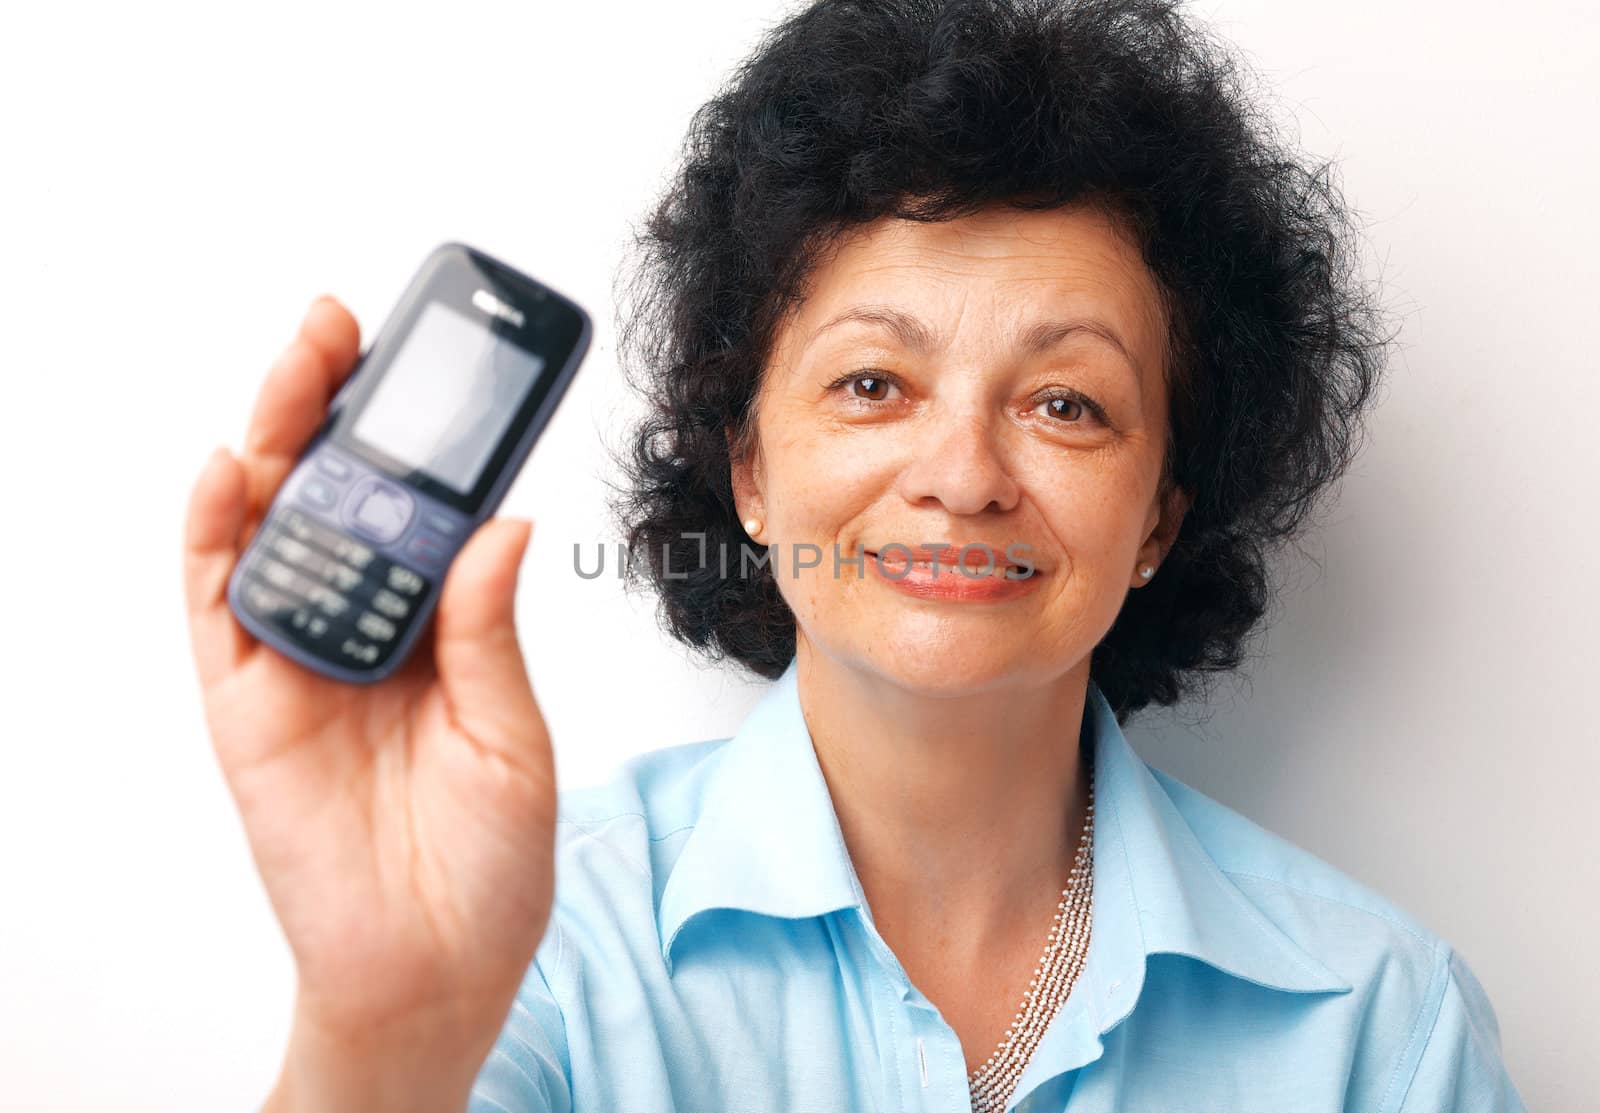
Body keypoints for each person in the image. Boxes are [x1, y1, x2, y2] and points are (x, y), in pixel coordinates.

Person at [180, 0, 1528, 1109]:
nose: (961, 476)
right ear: (751, 471)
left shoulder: (1380, 1030)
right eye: (874, 383)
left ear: (1160, 521)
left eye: (1066, 402)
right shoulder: (540, 949)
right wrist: (379, 1029)